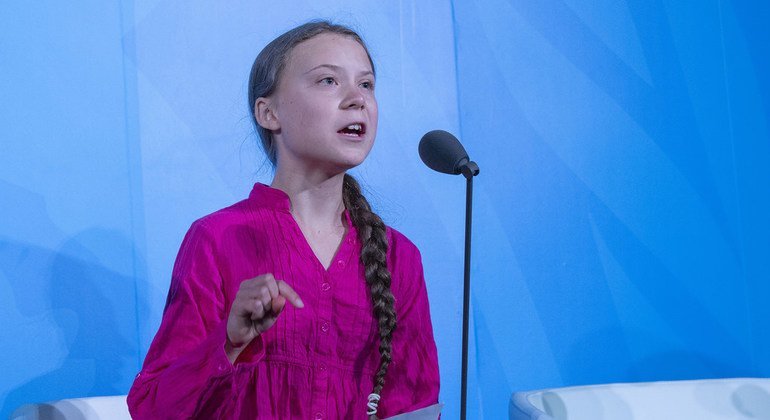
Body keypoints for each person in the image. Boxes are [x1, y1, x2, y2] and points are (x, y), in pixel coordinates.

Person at [127, 20, 440, 419]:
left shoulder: (400, 257)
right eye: (328, 81)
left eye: (366, 85)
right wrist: (230, 340)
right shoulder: (218, 239)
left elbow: (413, 404)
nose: (357, 99)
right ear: (268, 112)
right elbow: (153, 408)